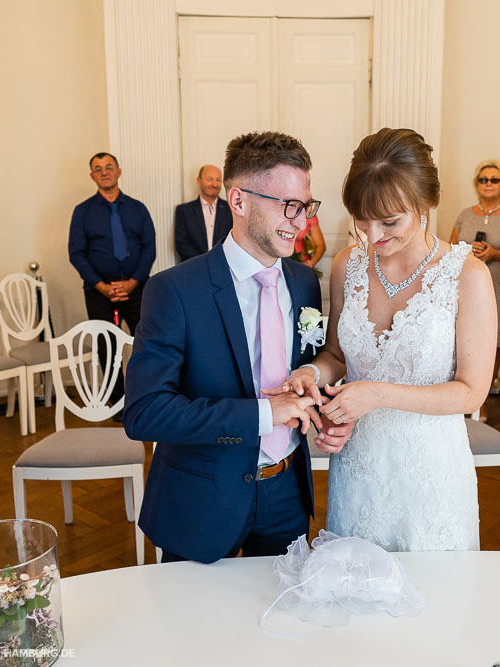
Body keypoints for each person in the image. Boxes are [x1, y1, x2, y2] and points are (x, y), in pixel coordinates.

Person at [123, 131, 353, 563]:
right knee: (196, 629)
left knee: (282, 624)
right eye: (287, 206)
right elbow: (144, 412)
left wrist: (322, 412)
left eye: (304, 207)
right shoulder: (174, 290)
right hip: (201, 499)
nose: (300, 221)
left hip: (287, 493)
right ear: (239, 201)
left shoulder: (304, 282)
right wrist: (266, 414)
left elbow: (305, 374)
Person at [279, 128, 496, 552]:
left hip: (430, 473)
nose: (373, 237)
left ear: (426, 204)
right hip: (358, 468)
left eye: (390, 221)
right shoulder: (348, 265)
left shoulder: (467, 275)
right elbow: (338, 355)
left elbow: (471, 393)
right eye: (362, 221)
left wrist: (375, 394)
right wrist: (310, 371)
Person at [68, 152, 156, 410]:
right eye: (98, 168)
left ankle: (148, 395)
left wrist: (132, 282)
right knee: (106, 346)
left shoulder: (138, 209)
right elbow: (76, 253)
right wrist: (101, 286)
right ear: (92, 176)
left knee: (147, 341)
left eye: (109, 167)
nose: (104, 172)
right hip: (98, 291)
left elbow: (149, 248)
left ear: (118, 172)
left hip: (136, 288)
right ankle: (117, 401)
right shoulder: (82, 212)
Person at [450, 160, 500, 388]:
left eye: (494, 180)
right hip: (465, 284)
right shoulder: (465, 215)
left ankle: (483, 397)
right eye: (483, 180)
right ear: (476, 185)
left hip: (499, 286)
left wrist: (496, 253)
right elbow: (450, 249)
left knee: (494, 340)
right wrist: (466, 251)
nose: (488, 184)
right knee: (463, 336)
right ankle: (462, 390)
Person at [174, 164, 232, 261]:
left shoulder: (230, 209)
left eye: (218, 180)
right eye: (209, 179)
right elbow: (181, 244)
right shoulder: (184, 210)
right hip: (193, 267)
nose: (214, 184)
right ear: (199, 181)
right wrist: (203, 262)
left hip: (223, 265)